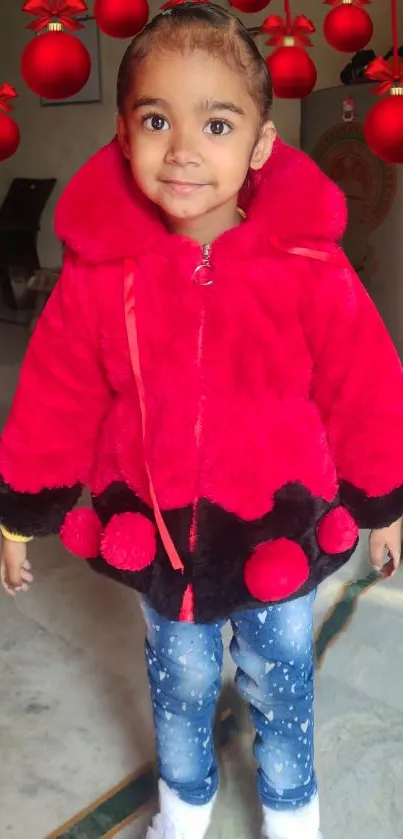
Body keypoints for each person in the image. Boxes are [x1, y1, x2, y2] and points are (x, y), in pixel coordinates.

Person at [1, 4, 403, 838]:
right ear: (122, 133)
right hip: (160, 531)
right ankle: (185, 804)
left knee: (281, 677)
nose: (182, 148)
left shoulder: (308, 266)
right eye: (156, 119)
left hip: (279, 523)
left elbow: (364, 385)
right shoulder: (99, 271)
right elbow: (56, 391)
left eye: (215, 123)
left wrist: (383, 499)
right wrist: (21, 511)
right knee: (178, 678)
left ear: (258, 144)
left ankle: (293, 812)